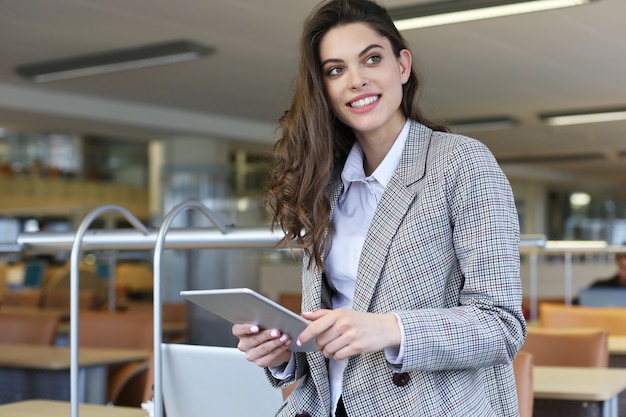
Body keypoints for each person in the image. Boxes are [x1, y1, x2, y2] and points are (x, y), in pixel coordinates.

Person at [232, 0, 527, 416]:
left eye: (371, 59)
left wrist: (391, 329)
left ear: (402, 66)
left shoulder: (461, 163)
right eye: (336, 70)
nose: (356, 80)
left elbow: (502, 326)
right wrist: (283, 354)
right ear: (324, 89)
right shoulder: (327, 184)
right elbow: (333, 332)